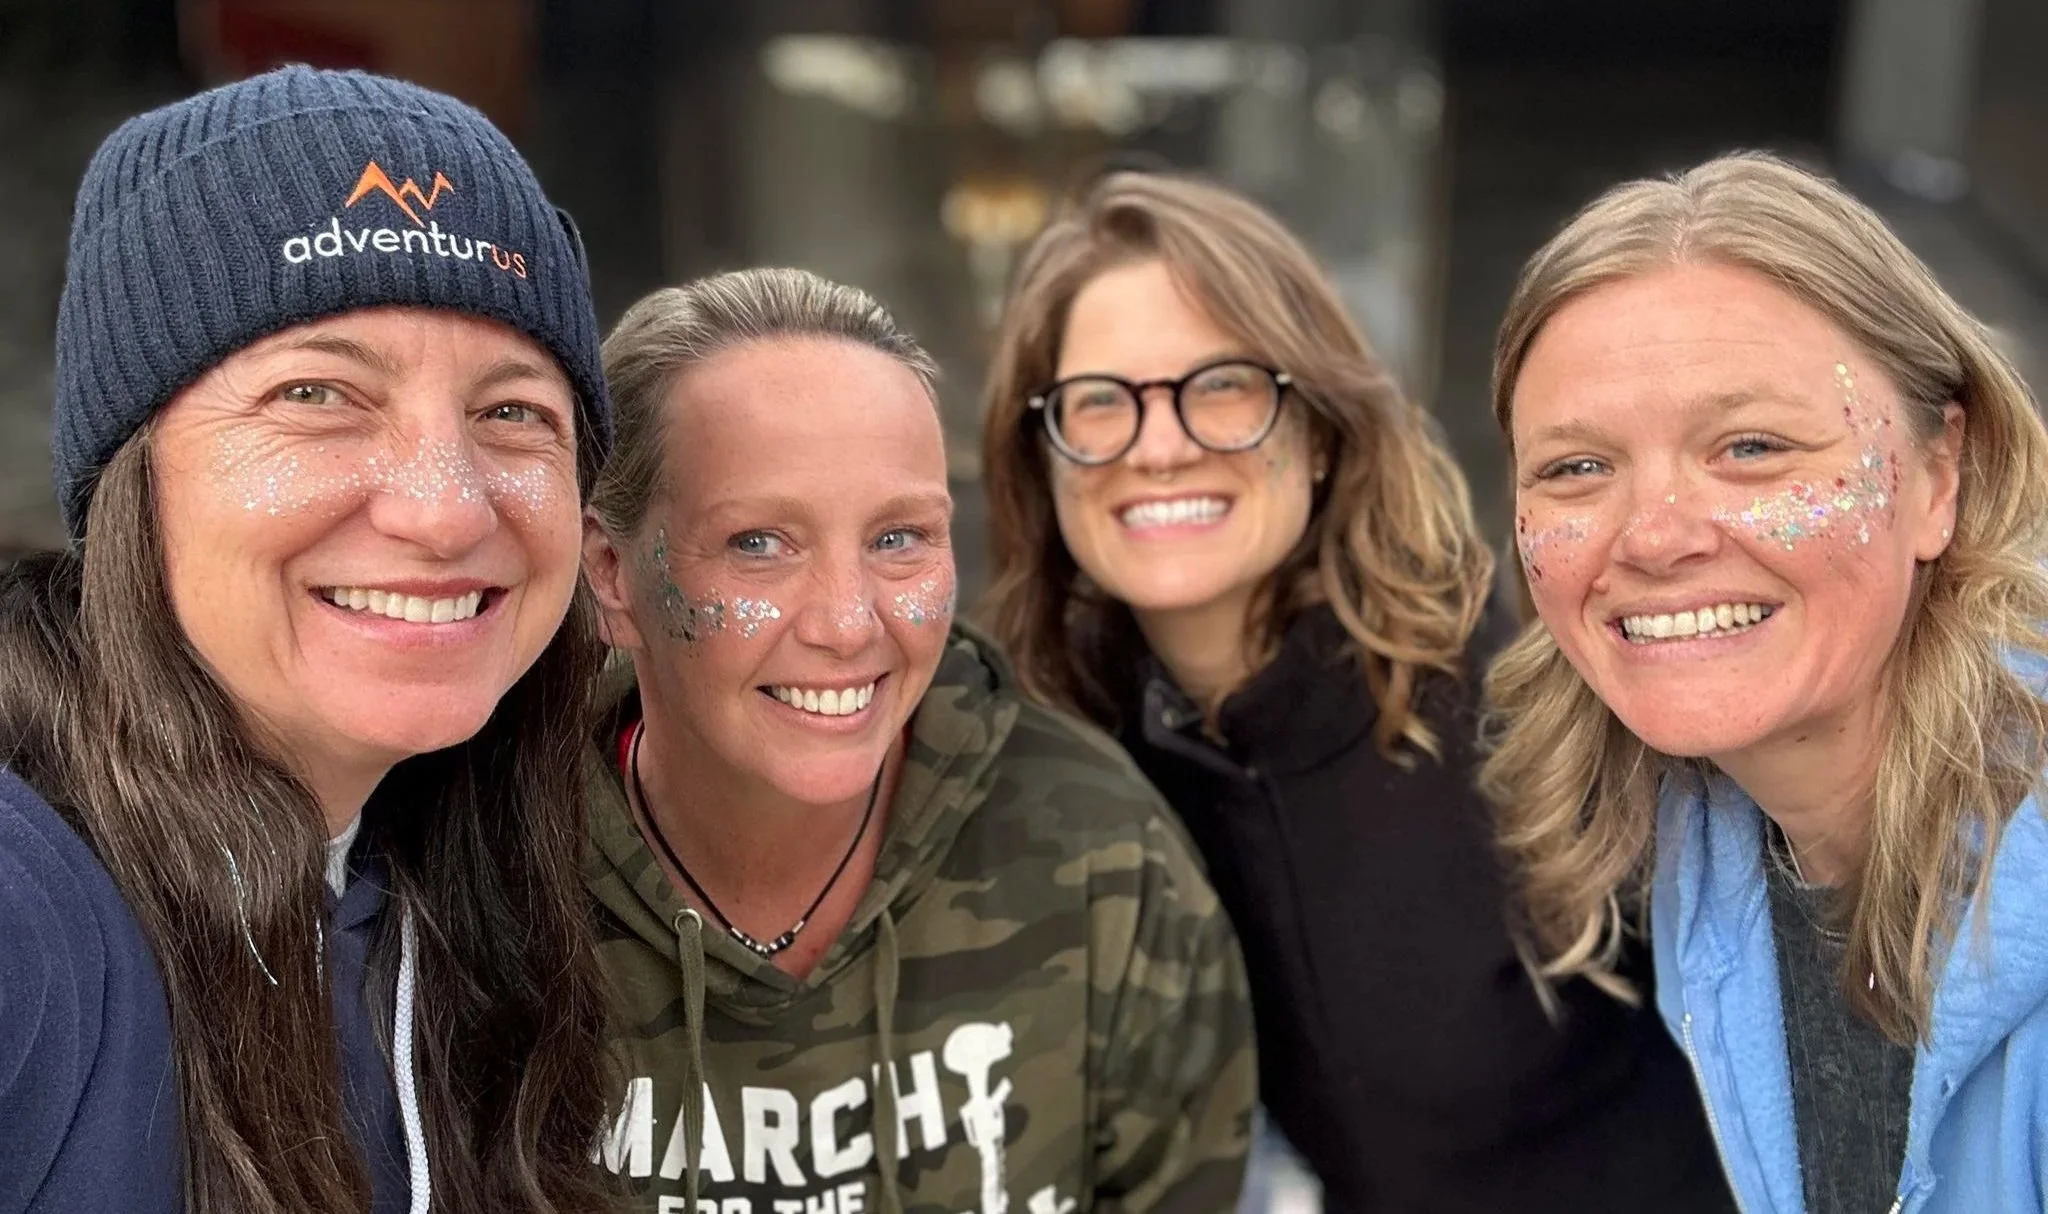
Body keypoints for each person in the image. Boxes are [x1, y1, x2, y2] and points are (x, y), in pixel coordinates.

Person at [977, 170, 1734, 1213]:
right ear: (1043, 456)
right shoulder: (1084, 764)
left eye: (1223, 384)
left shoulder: (1522, 700)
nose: (1157, 445)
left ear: (1319, 431)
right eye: (1099, 401)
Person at [0, 66, 617, 1213]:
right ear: (130, 478)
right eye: (318, 394)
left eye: (512, 412)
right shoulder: (25, 914)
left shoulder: (448, 885)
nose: (445, 507)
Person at [578, 267, 1256, 1214]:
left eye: (900, 538)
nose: (849, 625)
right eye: (760, 543)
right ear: (613, 576)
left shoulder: (1101, 855)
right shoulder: (481, 877)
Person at [1484, 150, 2048, 1213]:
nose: (1650, 536)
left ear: (1939, 474)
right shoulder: (1709, 834)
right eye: (1573, 468)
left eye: (1749, 447)